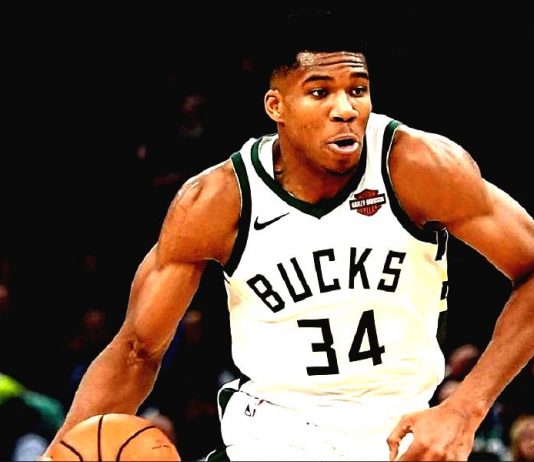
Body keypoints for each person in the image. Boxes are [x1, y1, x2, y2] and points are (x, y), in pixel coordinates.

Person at [43, 7, 534, 461]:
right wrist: (58, 454)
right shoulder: (218, 200)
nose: (345, 108)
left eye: (357, 90)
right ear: (276, 106)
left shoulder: (418, 167)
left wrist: (465, 407)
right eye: (320, 92)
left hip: (396, 435)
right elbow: (136, 351)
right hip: (269, 438)